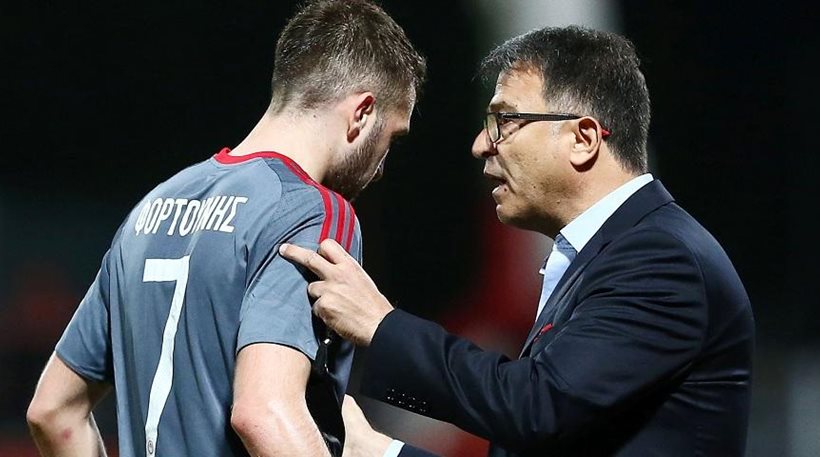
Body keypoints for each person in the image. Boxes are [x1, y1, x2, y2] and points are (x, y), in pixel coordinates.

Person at [279, 25, 754, 456]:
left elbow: (536, 406)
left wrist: (382, 327)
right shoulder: (606, 257)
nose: (480, 144)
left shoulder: (662, 259)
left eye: (504, 121)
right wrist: (379, 451)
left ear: (583, 139)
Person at [25, 1, 426, 456]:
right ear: (362, 113)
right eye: (392, 138)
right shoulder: (311, 211)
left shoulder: (150, 209)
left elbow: (52, 411)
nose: (382, 166)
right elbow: (265, 414)